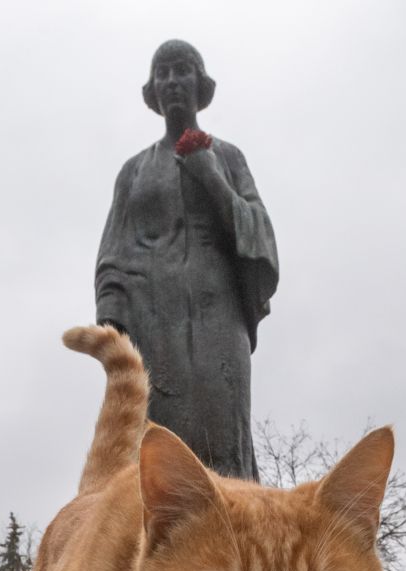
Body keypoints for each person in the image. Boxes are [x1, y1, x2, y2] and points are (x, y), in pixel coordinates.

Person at [95, 39, 279, 480]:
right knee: (154, 446)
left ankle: (231, 540)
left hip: (218, 316)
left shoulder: (228, 157)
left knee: (223, 438)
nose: (173, 81)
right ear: (152, 90)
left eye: (183, 70)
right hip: (151, 320)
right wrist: (112, 326)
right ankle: (154, 542)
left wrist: (209, 174)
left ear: (201, 84)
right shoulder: (134, 171)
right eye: (163, 73)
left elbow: (260, 235)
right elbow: (113, 252)